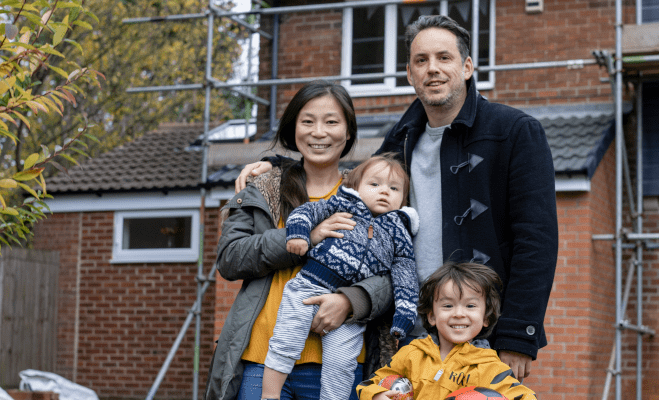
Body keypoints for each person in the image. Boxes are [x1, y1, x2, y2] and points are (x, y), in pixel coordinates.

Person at [237, 15, 558, 379]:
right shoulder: (400, 139)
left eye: (444, 58)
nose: (432, 69)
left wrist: (518, 335)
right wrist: (276, 166)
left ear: (467, 67)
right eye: (421, 61)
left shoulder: (515, 132)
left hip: (483, 332)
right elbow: (354, 181)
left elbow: (537, 240)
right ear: (409, 73)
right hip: (406, 334)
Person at [207, 81, 396, 400]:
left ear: (348, 132)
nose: (319, 132)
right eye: (307, 121)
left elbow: (395, 273)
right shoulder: (264, 188)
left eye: (332, 121)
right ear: (293, 128)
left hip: (336, 367)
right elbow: (230, 258)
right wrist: (302, 238)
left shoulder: (371, 193)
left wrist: (354, 301)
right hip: (260, 361)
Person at [262, 154, 421, 400]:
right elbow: (306, 211)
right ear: (356, 187)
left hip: (349, 311)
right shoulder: (343, 204)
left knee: (342, 363)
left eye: (394, 188)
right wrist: (298, 234)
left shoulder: (399, 233)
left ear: (403, 198)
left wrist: (405, 315)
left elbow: (406, 275)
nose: (384, 192)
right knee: (286, 341)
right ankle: (269, 395)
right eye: (375, 184)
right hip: (310, 285)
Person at [355, 262, 538, 400]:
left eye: (470, 305)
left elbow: (524, 396)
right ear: (431, 316)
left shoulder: (489, 367)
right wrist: (377, 395)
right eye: (448, 305)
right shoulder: (412, 353)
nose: (459, 314)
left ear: (486, 318)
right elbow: (372, 382)